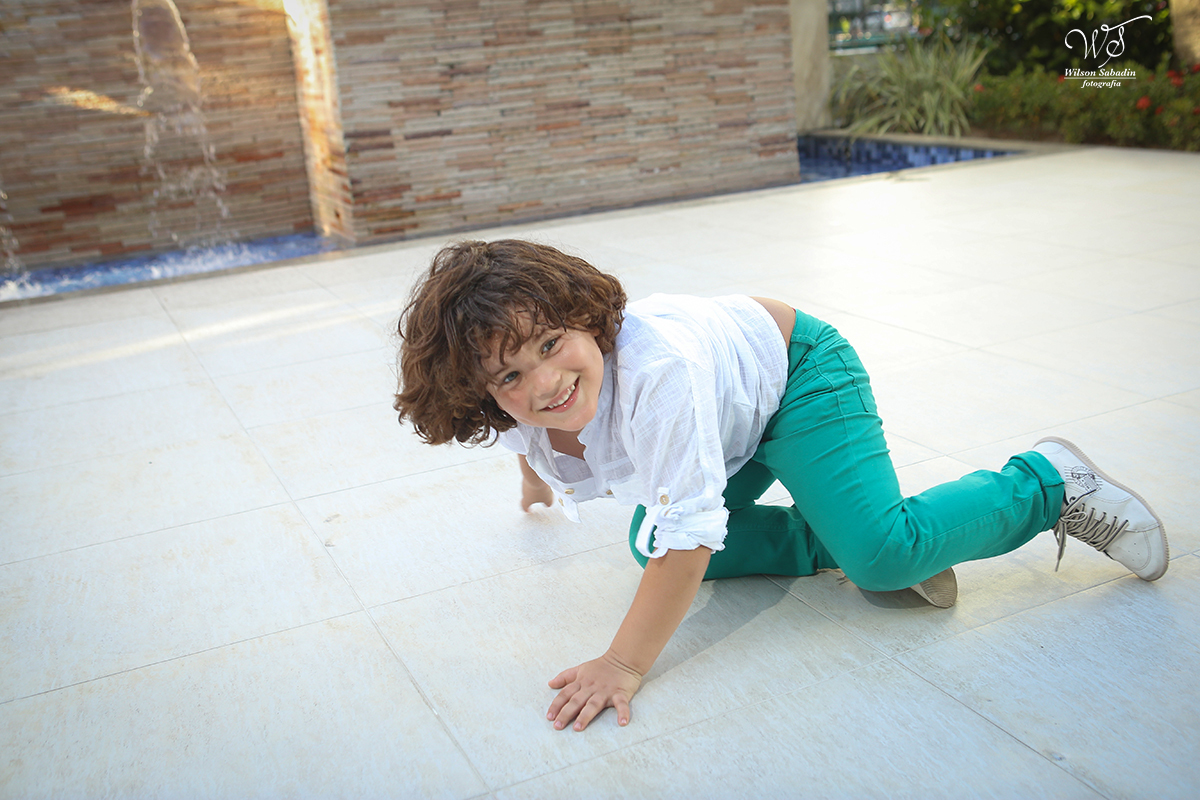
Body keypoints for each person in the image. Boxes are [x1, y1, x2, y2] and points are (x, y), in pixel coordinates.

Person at [393, 239, 1169, 733]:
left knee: (884, 558)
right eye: (511, 375)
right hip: (728, 424)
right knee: (646, 544)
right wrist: (533, 478)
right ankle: (836, 527)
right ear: (480, 392)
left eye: (554, 345)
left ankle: (1045, 484)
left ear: (586, 320)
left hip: (796, 375)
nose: (547, 382)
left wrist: (624, 664)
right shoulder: (518, 406)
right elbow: (529, 434)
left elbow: (692, 538)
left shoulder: (658, 375)